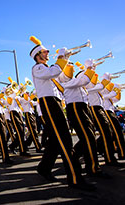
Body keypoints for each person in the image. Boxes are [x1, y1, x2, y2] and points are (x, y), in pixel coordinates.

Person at [29, 36, 95, 190]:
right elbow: (54, 71)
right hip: (49, 104)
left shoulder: (49, 68)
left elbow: (66, 77)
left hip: (56, 103)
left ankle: (44, 168)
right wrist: (60, 58)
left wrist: (66, 60)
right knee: (65, 141)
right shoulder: (38, 68)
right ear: (37, 56)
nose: (47, 54)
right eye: (44, 52)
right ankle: (75, 178)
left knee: (54, 141)